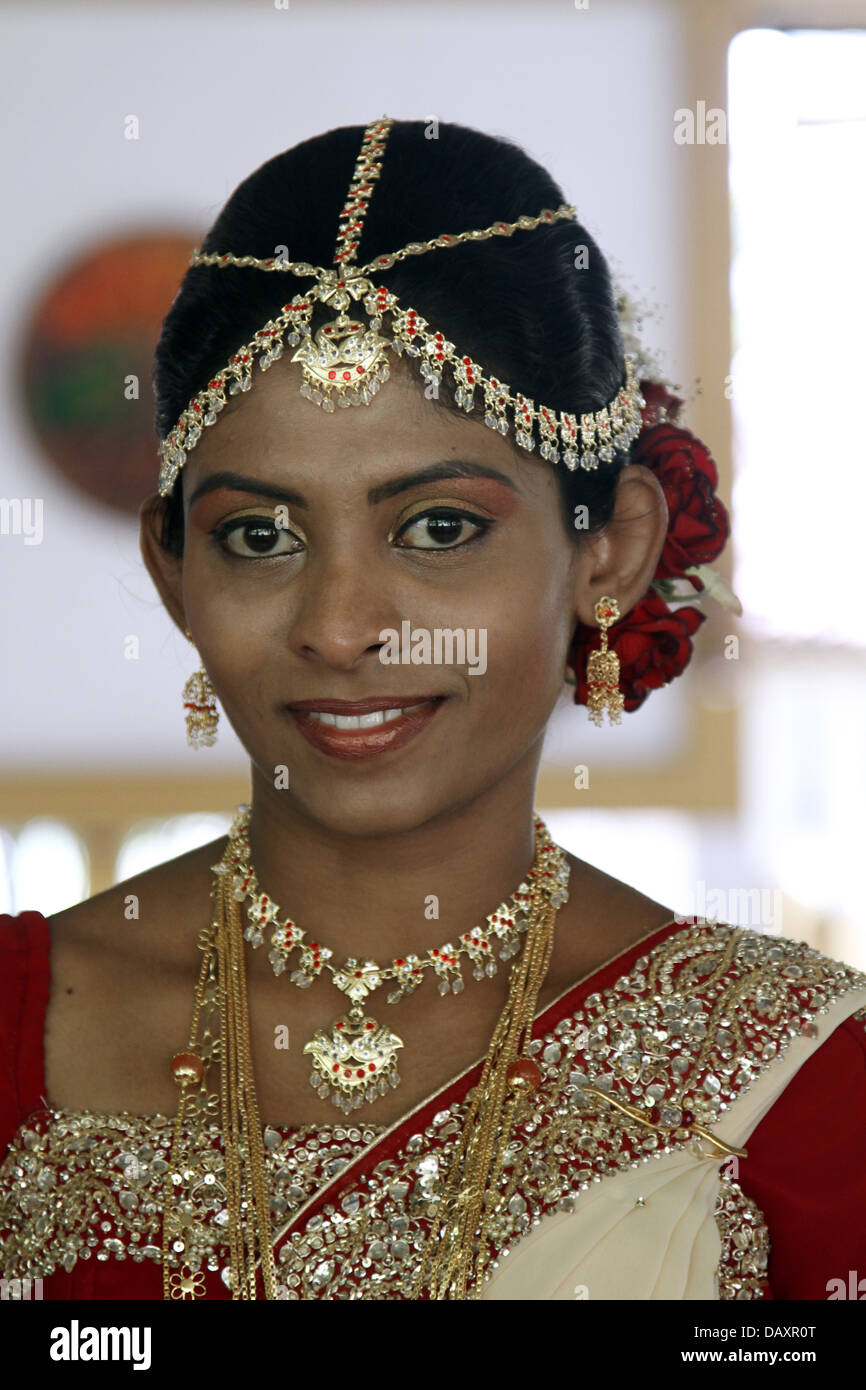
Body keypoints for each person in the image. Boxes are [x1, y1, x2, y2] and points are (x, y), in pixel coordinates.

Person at [1, 116, 864, 1302]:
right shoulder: (16, 1024)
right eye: (259, 536)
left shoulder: (797, 1078)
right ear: (175, 573)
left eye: (439, 528)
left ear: (608, 549)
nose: (340, 625)